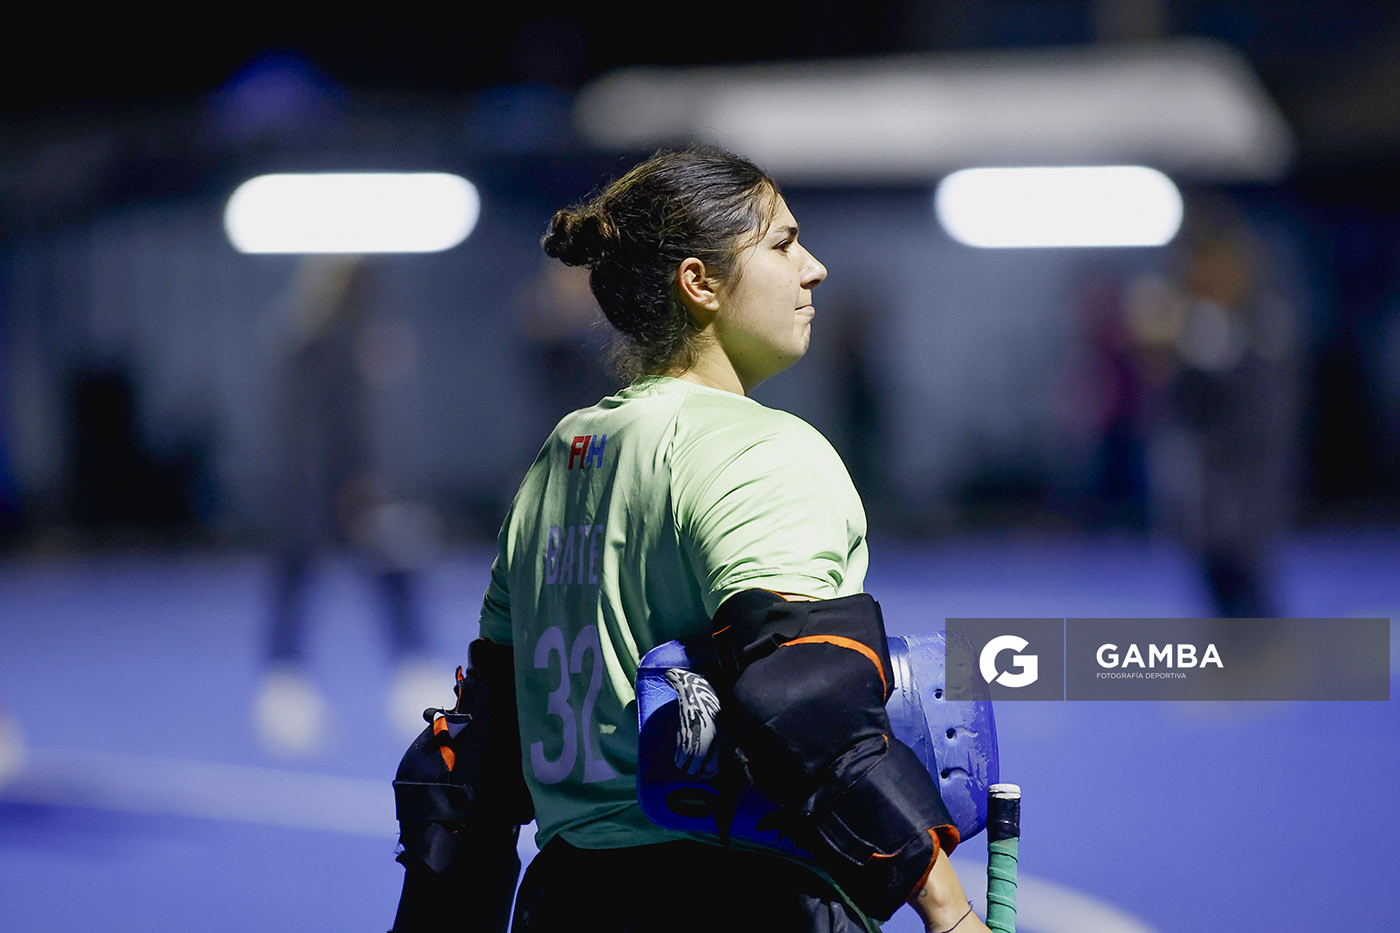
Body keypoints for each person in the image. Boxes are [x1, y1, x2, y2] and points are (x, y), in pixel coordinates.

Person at [395, 147, 989, 933]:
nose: (813, 269)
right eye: (781, 244)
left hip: (566, 900)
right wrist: (950, 914)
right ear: (698, 282)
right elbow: (806, 703)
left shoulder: (563, 455)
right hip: (741, 900)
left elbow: (481, 753)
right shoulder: (757, 451)